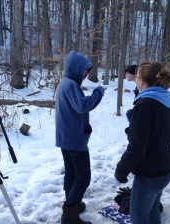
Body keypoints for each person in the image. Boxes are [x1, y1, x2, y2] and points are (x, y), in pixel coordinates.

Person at [115, 61, 170, 224]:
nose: (135, 79)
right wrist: (136, 130)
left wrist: (121, 170)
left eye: (137, 76)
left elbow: (136, 148)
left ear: (142, 81)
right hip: (166, 169)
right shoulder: (167, 101)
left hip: (150, 174)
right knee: (152, 212)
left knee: (138, 218)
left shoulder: (144, 105)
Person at [55, 51, 105, 224]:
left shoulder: (65, 83)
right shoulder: (70, 85)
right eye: (84, 71)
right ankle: (69, 215)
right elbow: (82, 106)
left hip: (66, 138)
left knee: (71, 173)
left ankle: (72, 203)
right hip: (74, 139)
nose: (85, 74)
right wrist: (98, 92)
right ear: (75, 69)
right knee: (83, 177)